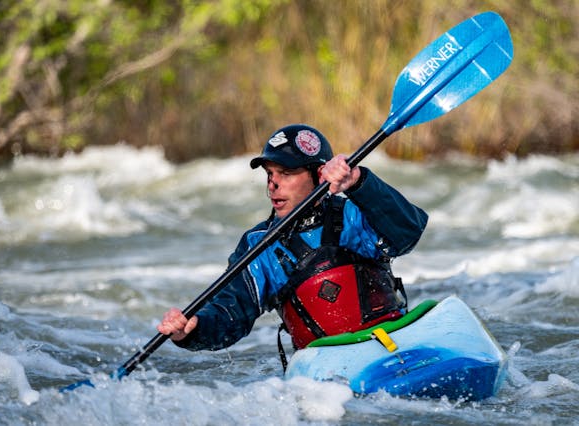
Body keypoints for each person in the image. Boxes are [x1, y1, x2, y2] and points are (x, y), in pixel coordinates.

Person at [157, 124, 428, 358]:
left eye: (285, 174)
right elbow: (232, 312)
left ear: (319, 175)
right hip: (326, 364)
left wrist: (358, 181)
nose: (273, 184)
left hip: (391, 340)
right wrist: (193, 330)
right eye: (269, 174)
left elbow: (408, 233)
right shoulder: (259, 246)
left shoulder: (355, 213)